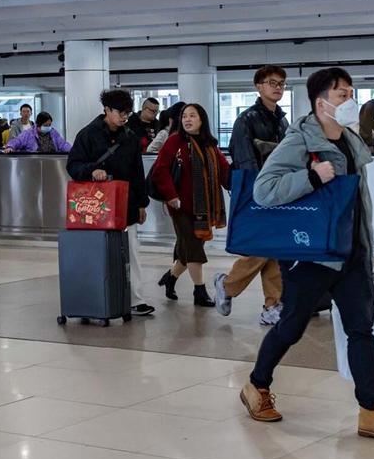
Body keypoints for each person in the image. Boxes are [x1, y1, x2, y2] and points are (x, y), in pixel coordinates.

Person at [239, 67, 374, 442]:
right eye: (341, 95)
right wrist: (312, 177)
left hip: (352, 253)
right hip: (311, 255)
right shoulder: (299, 140)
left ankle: (369, 410)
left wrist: (366, 250)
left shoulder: (350, 139)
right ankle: (256, 385)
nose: (350, 101)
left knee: (360, 330)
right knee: (291, 326)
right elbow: (264, 190)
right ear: (321, 103)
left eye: (350, 93)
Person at [66, 89, 155, 317]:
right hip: (95, 206)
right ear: (107, 110)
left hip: (125, 203)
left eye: (128, 112)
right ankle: (93, 295)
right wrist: (91, 170)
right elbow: (73, 166)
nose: (124, 117)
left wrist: (142, 203)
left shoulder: (130, 137)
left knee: (132, 250)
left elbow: (137, 171)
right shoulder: (87, 135)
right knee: (98, 251)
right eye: (120, 112)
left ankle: (136, 299)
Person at [211, 65, 289, 325]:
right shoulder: (246, 120)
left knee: (272, 248)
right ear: (258, 86)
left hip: (278, 190)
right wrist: (259, 193)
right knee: (264, 246)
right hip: (256, 191)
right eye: (271, 82)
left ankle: (271, 305)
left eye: (280, 83)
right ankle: (230, 285)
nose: (277, 87)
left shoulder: (282, 120)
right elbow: (245, 160)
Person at [150, 103, 230, 307]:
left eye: (192, 115)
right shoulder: (174, 141)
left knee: (188, 251)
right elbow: (160, 170)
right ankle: (199, 291)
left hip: (203, 208)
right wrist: (171, 195)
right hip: (180, 206)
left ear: (202, 120)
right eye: (184, 116)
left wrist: (240, 180)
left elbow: (224, 171)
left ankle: (170, 278)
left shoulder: (209, 144)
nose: (187, 119)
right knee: (194, 248)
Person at [4, 112, 71, 154]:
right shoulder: (29, 134)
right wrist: (10, 147)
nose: (48, 127)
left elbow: (62, 144)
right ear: (38, 124)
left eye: (49, 125)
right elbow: (17, 140)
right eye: (45, 125)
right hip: (34, 163)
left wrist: (72, 150)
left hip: (52, 162)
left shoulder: (53, 133)